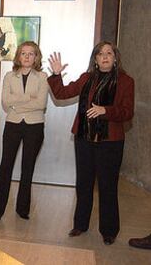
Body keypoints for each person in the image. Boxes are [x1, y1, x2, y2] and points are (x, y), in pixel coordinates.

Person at [47, 41, 135, 245]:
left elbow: (127, 112)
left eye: (109, 53)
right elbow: (62, 94)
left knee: (107, 186)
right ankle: (80, 225)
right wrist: (56, 74)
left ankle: (109, 230)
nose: (105, 56)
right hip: (84, 139)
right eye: (100, 54)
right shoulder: (87, 78)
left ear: (115, 58)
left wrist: (106, 111)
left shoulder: (125, 81)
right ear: (95, 59)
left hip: (110, 142)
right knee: (83, 184)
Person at [0, 41, 48, 221]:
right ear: (18, 56)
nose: (27, 57)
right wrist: (27, 98)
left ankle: (23, 210)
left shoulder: (43, 77)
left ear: (36, 57)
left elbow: (41, 104)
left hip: (34, 126)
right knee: (5, 165)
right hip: (13, 124)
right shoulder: (9, 76)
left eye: (31, 54)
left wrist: (18, 104)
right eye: (24, 53)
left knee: (27, 167)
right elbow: (6, 102)